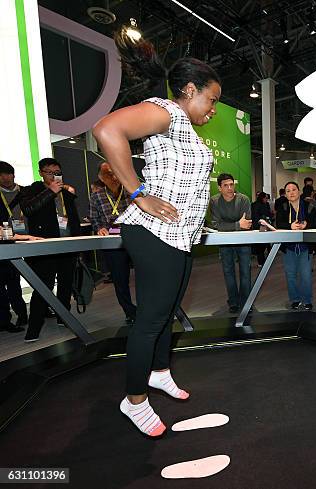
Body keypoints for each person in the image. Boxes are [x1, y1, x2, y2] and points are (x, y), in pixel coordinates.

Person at [93, 30, 220, 437]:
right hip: (153, 232)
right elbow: (106, 130)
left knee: (166, 314)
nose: (213, 109)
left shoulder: (181, 123)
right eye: (211, 99)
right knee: (149, 320)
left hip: (178, 236)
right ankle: (134, 401)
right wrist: (138, 194)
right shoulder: (167, 110)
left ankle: (160, 372)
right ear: (189, 90)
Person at [19, 158, 80, 342]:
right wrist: (50, 191)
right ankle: (34, 328)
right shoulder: (32, 190)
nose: (54, 176)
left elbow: (73, 219)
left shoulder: (66, 191)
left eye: (57, 172)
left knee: (65, 284)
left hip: (67, 245)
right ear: (40, 172)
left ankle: (64, 317)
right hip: (45, 245)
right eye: (49, 172)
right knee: (43, 286)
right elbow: (28, 209)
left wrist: (78, 244)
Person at [89, 161, 136, 323]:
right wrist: (99, 228)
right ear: (101, 178)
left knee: (145, 276)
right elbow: (94, 218)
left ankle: (148, 309)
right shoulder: (96, 195)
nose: (113, 177)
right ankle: (130, 312)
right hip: (112, 243)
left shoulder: (131, 191)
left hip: (135, 239)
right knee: (120, 280)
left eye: (115, 172)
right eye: (108, 174)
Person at [209, 173, 252, 313]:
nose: (229, 188)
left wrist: (229, 225)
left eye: (231, 184)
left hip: (243, 240)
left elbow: (247, 223)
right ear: (219, 187)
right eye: (225, 185)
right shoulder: (214, 201)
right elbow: (216, 225)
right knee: (228, 272)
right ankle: (233, 302)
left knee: (245, 272)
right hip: (225, 242)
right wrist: (237, 225)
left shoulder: (244, 199)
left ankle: (246, 302)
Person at [275, 182, 316, 310]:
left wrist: (306, 225)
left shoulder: (308, 206)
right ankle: (295, 299)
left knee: (306, 275)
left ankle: (307, 300)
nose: (291, 193)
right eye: (288, 191)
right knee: (291, 275)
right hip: (289, 247)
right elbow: (279, 223)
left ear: (299, 191)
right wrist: (290, 226)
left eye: (294, 190)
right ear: (285, 194)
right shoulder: (283, 207)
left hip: (305, 247)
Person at [0, 161, 28, 327]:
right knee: (10, 281)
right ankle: (10, 317)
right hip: (6, 242)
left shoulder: (25, 192)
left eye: (8, 173)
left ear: (14, 174)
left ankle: (43, 309)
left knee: (38, 277)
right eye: (2, 174)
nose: (5, 178)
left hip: (30, 238)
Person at [251, 191, 272, 267]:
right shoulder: (261, 205)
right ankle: (262, 261)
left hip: (261, 226)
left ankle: (262, 261)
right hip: (261, 226)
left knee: (261, 245)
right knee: (262, 245)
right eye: (265, 198)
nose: (266, 199)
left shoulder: (257, 204)